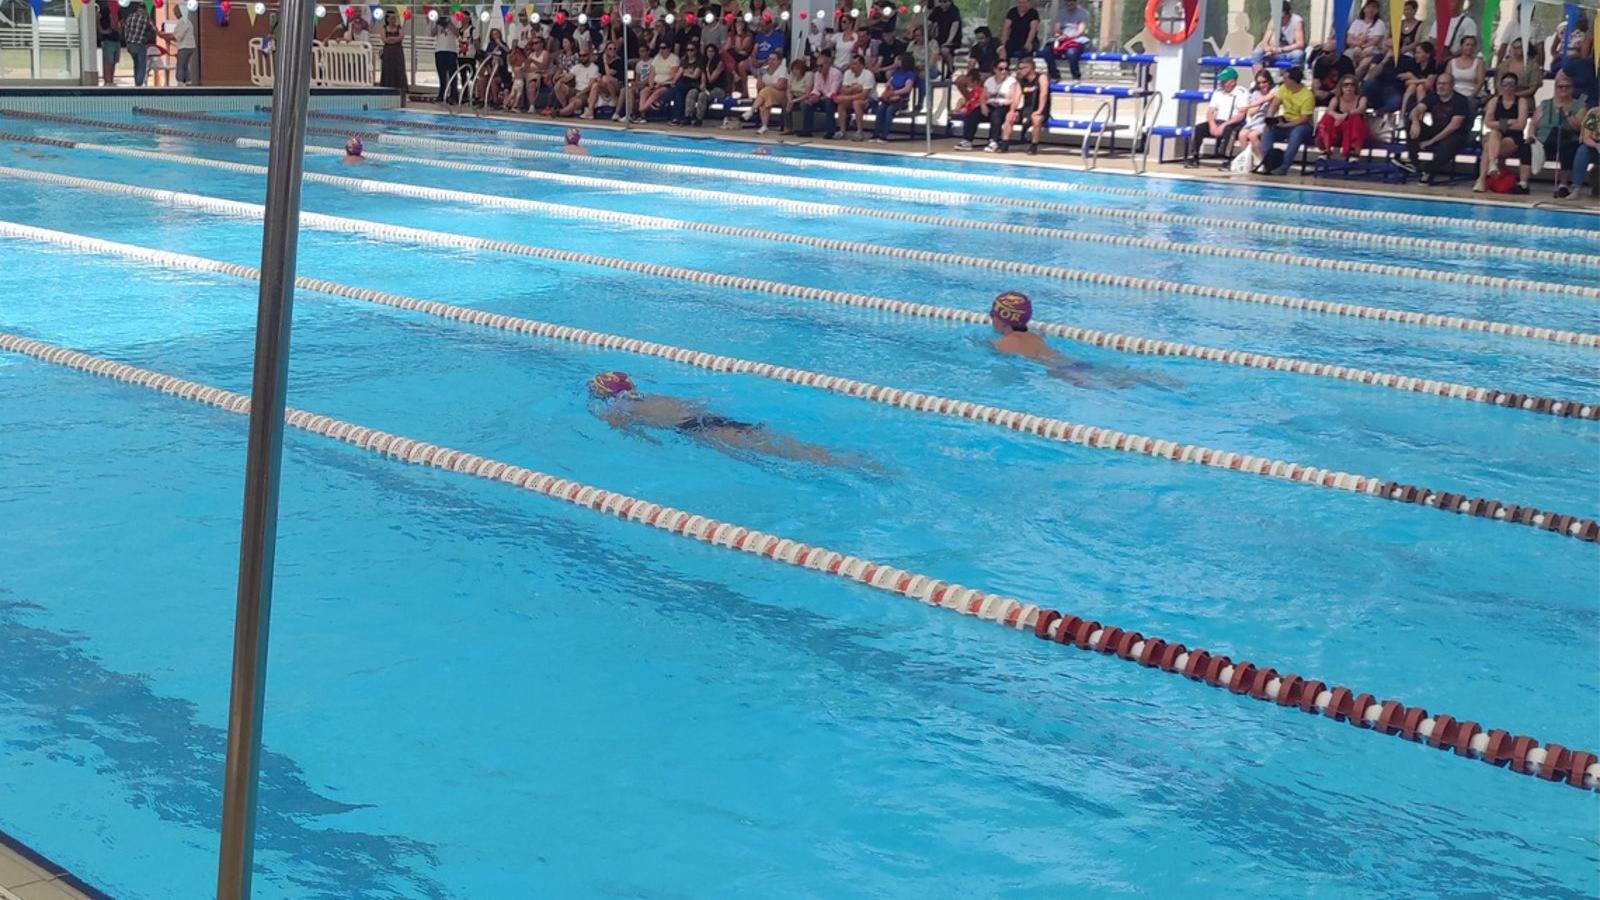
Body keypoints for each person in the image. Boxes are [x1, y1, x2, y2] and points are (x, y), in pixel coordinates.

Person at [587, 372, 856, 466]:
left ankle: (846, 462)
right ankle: (846, 459)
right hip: (710, 418)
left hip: (700, 429)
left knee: (786, 453)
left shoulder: (618, 410)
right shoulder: (649, 395)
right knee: (785, 446)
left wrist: (649, 444)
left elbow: (630, 433)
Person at [1397, 71, 1470, 184]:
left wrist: (1430, 141)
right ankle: (1414, 163)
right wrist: (1415, 122)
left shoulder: (1460, 101)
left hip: (1454, 133)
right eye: (1439, 83)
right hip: (1436, 129)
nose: (1441, 86)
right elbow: (1415, 111)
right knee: (1410, 123)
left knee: (1451, 144)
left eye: (1445, 84)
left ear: (1452, 85)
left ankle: (1426, 169)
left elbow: (1454, 126)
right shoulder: (1433, 96)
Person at [1475, 73, 1531, 193]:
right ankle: (1492, 164)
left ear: (1516, 86)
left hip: (1513, 138)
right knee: (1494, 134)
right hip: (1496, 136)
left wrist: (1499, 123)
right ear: (1500, 86)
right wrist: (1509, 122)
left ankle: (1482, 179)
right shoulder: (1495, 101)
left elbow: (1521, 125)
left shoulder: (1521, 102)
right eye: (1505, 84)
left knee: (1488, 145)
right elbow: (1487, 123)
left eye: (1511, 85)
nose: (1508, 88)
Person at [1185, 66, 1248, 166]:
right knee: (1198, 128)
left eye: (1224, 81)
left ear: (1232, 82)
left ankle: (1227, 158)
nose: (1221, 84)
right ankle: (1193, 156)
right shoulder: (1218, 92)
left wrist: (1223, 126)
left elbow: (1240, 115)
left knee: (1230, 130)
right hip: (1217, 122)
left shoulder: (1241, 92)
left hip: (1233, 122)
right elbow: (1210, 111)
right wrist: (1212, 124)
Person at [1537, 73, 1586, 198]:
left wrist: (1566, 113)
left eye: (1567, 87)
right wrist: (1531, 135)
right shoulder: (1545, 104)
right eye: (1560, 87)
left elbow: (1578, 126)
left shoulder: (1580, 106)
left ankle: (1563, 184)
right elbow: (1533, 123)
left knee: (1568, 145)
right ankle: (1523, 183)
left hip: (1568, 137)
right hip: (1545, 137)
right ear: (1556, 88)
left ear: (1572, 88)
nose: (1563, 89)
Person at [1260, 64, 1313, 175]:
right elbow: (1274, 105)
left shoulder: (1307, 96)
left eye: (1285, 79)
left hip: (1301, 124)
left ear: (1293, 81)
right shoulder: (1284, 88)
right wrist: (1270, 117)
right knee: (1268, 130)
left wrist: (1285, 126)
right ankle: (1268, 163)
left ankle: (1284, 166)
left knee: (1296, 134)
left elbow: (1304, 118)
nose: (1283, 80)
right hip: (1286, 120)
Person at [955, 58, 1015, 150]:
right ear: (995, 69)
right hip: (990, 105)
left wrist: (1000, 102)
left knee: (996, 115)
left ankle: (993, 141)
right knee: (974, 113)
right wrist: (983, 105)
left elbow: (1012, 99)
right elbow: (983, 97)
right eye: (1000, 69)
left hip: (1004, 107)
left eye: (1006, 69)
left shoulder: (1011, 81)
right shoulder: (989, 81)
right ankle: (967, 140)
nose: (1003, 71)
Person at [1315, 74, 1368, 159]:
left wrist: (1345, 115)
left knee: (1355, 118)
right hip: (1338, 131)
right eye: (1346, 85)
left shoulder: (1362, 98)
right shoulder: (1336, 98)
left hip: (1355, 132)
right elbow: (1329, 110)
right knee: (1327, 118)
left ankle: (1353, 151)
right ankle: (1326, 149)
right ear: (1341, 87)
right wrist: (1337, 116)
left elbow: (1361, 109)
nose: (1349, 87)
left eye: (1352, 84)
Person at [1000, 58, 1047, 153]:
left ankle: (1034, 146)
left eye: (1021, 68)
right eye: (1018, 68)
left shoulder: (1041, 77)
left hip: (1040, 109)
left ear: (1029, 68)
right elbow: (1017, 96)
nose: (1019, 71)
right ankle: (1004, 144)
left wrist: (1039, 110)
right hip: (1026, 109)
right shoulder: (1021, 80)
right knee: (1009, 117)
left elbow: (1044, 94)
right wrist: (1012, 111)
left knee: (1036, 119)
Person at [870, 53, 918, 142]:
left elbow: (907, 89)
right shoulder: (896, 72)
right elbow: (890, 81)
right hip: (889, 98)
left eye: (899, 60)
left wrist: (894, 92)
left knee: (889, 111)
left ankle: (884, 135)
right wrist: (888, 87)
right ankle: (876, 133)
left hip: (900, 100)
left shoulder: (910, 74)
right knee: (880, 109)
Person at [1233, 68, 1276, 167]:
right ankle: (1247, 160)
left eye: (1264, 82)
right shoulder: (1255, 93)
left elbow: (1267, 98)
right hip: (1256, 121)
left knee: (1253, 135)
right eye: (1259, 83)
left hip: (1267, 120)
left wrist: (1253, 104)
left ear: (1269, 81)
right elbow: (1252, 113)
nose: (1261, 85)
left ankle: (1261, 161)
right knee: (1242, 134)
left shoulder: (1275, 90)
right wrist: (1257, 106)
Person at [1042, 0, 1091, 83]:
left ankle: (1076, 76)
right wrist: (1058, 34)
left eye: (1071, 2)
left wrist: (1067, 37)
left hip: (1076, 40)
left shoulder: (1083, 13)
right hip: (1062, 39)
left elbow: (1080, 31)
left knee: (1071, 53)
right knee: (1046, 51)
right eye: (1067, 2)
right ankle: (1054, 75)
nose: (1069, 3)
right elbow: (1057, 27)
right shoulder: (1061, 13)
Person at [632, 41, 680, 121]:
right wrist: (651, 84)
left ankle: (641, 109)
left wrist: (660, 84)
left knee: (656, 93)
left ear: (669, 49)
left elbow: (672, 75)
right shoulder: (657, 58)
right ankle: (642, 114)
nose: (661, 50)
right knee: (644, 91)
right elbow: (652, 73)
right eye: (660, 48)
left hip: (666, 84)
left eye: (664, 48)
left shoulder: (674, 59)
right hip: (655, 83)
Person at [797, 47, 840, 136]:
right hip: (823, 98)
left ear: (828, 64)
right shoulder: (817, 74)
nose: (819, 68)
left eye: (821, 66)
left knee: (829, 102)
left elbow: (833, 92)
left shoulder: (836, 73)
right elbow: (816, 89)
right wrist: (813, 96)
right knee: (808, 103)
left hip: (835, 99)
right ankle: (807, 130)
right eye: (817, 66)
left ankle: (830, 131)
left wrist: (819, 98)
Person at [1252, 1, 1306, 69]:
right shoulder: (1273, 21)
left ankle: (1293, 76)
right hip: (1273, 51)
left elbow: (1300, 44)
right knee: (1257, 53)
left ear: (1285, 13)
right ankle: (1259, 76)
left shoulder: (1297, 21)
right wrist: (1267, 49)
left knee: (1298, 54)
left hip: (1289, 52)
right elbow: (1265, 41)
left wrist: (1280, 50)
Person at [834, 53, 876, 139]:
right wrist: (853, 88)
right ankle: (842, 131)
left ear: (862, 65)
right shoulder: (847, 73)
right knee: (841, 104)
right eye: (852, 64)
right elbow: (843, 90)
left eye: (855, 64)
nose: (852, 66)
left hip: (870, 99)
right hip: (854, 97)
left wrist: (846, 96)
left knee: (856, 103)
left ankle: (859, 131)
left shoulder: (868, 75)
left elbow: (864, 95)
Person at [745, 51, 789, 134]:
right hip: (767, 94)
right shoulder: (764, 69)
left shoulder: (782, 69)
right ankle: (764, 126)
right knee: (765, 95)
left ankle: (752, 110)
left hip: (780, 94)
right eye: (769, 59)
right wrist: (760, 79)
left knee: (765, 91)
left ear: (779, 61)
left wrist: (766, 84)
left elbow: (780, 86)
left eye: (773, 60)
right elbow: (758, 86)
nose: (771, 61)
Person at [557, 46, 602, 116]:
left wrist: (579, 94)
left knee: (574, 102)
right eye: (580, 55)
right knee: (558, 86)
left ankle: (561, 112)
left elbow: (590, 86)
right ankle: (565, 108)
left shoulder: (594, 68)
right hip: (575, 90)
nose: (582, 57)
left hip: (585, 92)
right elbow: (568, 77)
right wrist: (561, 79)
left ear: (589, 55)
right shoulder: (577, 67)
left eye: (584, 55)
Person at [1569, 102, 1600, 199]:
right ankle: (1576, 188)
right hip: (1596, 146)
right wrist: (1596, 145)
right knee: (1582, 151)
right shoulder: (1594, 113)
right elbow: (1586, 138)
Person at [120, 2, 155, 87]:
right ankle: (138, 85)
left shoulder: (130, 16)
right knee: (141, 65)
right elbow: (153, 30)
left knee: (136, 64)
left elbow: (125, 30)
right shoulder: (146, 17)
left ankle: (136, 82)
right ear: (144, 9)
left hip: (130, 45)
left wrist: (128, 42)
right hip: (140, 44)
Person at [1447, 35, 1485, 108]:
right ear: (1461, 46)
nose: (1470, 47)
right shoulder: (1452, 62)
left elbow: (1480, 82)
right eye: (1467, 45)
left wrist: (1471, 96)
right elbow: (1447, 79)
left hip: (1471, 94)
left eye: (1472, 45)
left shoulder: (1479, 62)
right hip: (1454, 95)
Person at [430, 13, 460, 102]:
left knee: (452, 74)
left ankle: (453, 95)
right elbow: (432, 34)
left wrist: (449, 23)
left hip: (451, 50)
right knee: (441, 74)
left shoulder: (455, 18)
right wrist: (437, 23)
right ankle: (442, 94)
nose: (444, 9)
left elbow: (457, 33)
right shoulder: (436, 18)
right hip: (439, 49)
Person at [999, 0, 1040, 64]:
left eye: (1024, 3)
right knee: (1005, 49)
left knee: (1026, 50)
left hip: (1029, 39)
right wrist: (1003, 42)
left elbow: (1033, 29)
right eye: (1019, 3)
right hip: (1014, 39)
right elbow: (1006, 27)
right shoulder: (1012, 12)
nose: (1021, 5)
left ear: (1028, 3)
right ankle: (1005, 67)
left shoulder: (1033, 13)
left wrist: (1028, 42)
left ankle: (1024, 67)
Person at [929, 0, 961, 76]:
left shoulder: (954, 10)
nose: (942, 4)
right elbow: (929, 22)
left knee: (945, 50)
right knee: (931, 49)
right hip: (940, 37)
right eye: (941, 1)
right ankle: (933, 69)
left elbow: (955, 26)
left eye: (945, 1)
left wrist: (949, 41)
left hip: (953, 38)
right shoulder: (937, 10)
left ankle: (950, 67)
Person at [379, 9, 407, 92]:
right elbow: (384, 39)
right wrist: (393, 39)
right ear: (387, 19)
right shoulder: (384, 28)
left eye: (394, 18)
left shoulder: (399, 27)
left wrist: (391, 39)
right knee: (388, 69)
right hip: (388, 52)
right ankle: (387, 88)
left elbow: (401, 37)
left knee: (399, 69)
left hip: (398, 52)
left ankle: (400, 89)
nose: (393, 20)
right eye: (391, 18)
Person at [97, 0, 121, 85]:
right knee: (108, 61)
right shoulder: (105, 9)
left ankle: (111, 80)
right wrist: (102, 30)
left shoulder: (117, 10)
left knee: (114, 61)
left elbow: (119, 23)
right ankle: (108, 81)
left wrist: (119, 28)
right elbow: (97, 18)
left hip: (116, 39)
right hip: (107, 39)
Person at [171, 8, 196, 85]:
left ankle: (180, 82)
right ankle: (188, 81)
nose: (175, 14)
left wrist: (163, 35)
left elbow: (178, 36)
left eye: (175, 12)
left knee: (180, 65)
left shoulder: (183, 21)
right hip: (190, 46)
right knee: (185, 64)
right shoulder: (187, 21)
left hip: (185, 46)